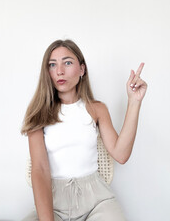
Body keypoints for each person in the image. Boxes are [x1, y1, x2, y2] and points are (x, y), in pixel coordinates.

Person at [20, 39, 148, 221]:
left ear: (82, 69)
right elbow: (39, 169)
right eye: (52, 64)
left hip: (97, 201)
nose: (59, 71)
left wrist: (134, 101)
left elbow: (121, 154)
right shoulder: (38, 114)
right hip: (53, 202)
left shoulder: (97, 109)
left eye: (67, 62)